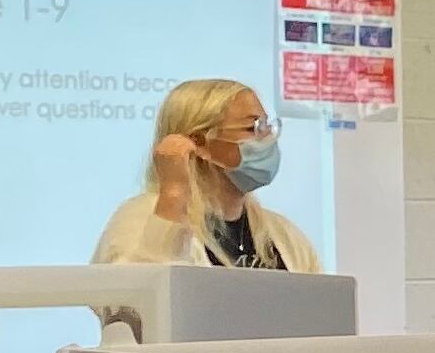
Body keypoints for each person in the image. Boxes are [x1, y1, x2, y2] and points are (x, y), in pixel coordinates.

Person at [95, 78, 319, 270]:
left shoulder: (282, 233)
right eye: (254, 128)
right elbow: (135, 301)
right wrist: (174, 194)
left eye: (267, 126)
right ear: (200, 142)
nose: (267, 138)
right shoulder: (143, 218)